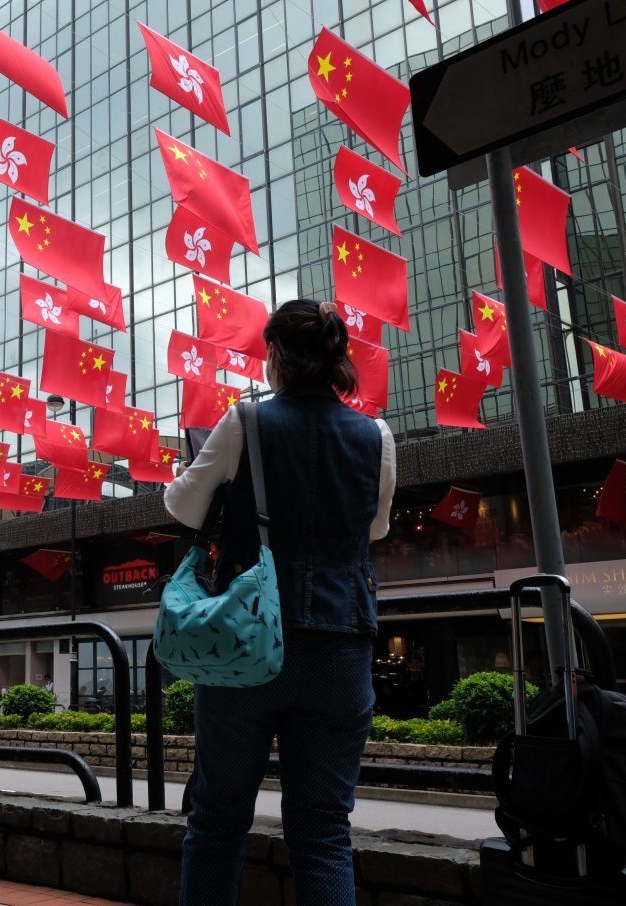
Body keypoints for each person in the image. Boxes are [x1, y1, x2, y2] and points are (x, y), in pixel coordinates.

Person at [165, 298, 395, 906]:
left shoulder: (246, 421)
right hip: (341, 643)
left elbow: (183, 508)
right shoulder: (377, 436)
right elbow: (374, 531)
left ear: (274, 358)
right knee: (323, 832)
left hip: (246, 643)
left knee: (217, 822)